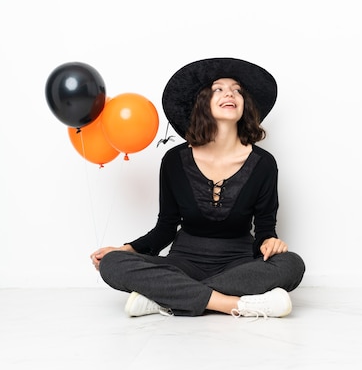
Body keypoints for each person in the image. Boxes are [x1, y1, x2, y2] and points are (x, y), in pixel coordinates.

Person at [90, 58, 305, 318]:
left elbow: (265, 230)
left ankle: (164, 298)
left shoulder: (264, 165)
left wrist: (270, 242)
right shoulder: (174, 161)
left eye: (237, 90)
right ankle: (233, 304)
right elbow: (165, 228)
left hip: (239, 266)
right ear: (202, 102)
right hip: (181, 264)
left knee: (292, 265)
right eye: (219, 89)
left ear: (244, 105)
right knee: (113, 264)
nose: (230, 93)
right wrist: (126, 250)